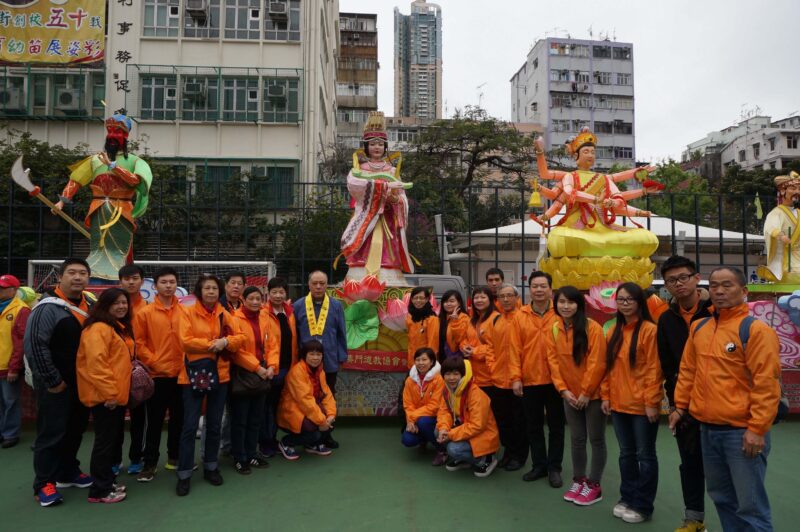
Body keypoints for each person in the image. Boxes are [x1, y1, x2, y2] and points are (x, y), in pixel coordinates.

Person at [672, 267, 781, 531]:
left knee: (751, 506)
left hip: (742, 432)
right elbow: (688, 371)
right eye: (714, 285)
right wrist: (680, 407)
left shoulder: (755, 331)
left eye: (727, 285)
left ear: (744, 291)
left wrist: (757, 429)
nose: (719, 291)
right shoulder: (699, 327)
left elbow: (766, 384)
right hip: (707, 430)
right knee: (722, 497)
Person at [531, 128, 660, 289]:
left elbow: (619, 199)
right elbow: (555, 182)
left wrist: (619, 203)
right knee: (560, 238)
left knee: (646, 238)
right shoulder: (570, 176)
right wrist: (540, 152)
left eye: (593, 152)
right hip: (577, 230)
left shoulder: (603, 179)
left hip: (604, 229)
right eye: (586, 151)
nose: (590, 155)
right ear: (576, 156)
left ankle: (605, 259)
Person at [25, 258, 95, 507]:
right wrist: (53, 380)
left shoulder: (91, 304)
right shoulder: (46, 308)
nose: (77, 277)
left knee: (75, 429)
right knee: (51, 434)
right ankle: (44, 482)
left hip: (82, 382)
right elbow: (35, 346)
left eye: (82, 273)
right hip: (56, 385)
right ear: (60, 277)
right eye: (72, 273)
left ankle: (68, 471)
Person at [175, 274, 250, 497]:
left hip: (220, 375)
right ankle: (184, 474)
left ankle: (211, 466)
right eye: (207, 288)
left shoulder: (223, 314)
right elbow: (185, 341)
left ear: (220, 292)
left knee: (215, 424)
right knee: (189, 426)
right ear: (199, 291)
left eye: (214, 288)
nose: (210, 292)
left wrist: (225, 341)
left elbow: (241, 336)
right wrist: (212, 345)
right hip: (192, 376)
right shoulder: (187, 312)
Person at [52, 113, 152, 281]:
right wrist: (62, 201)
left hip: (121, 210)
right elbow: (75, 180)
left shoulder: (135, 161)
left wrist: (113, 166)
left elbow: (136, 181)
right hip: (98, 209)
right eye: (110, 131)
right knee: (98, 246)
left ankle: (121, 275)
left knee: (120, 247)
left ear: (126, 135)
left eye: (117, 132)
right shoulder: (94, 160)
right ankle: (96, 274)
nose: (112, 135)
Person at [656, 256, 712, 532]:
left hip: (719, 401)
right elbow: (668, 366)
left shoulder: (715, 312)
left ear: (696, 278)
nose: (678, 284)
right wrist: (676, 405)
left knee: (727, 468)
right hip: (685, 404)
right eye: (671, 280)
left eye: (683, 277)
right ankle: (694, 519)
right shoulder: (667, 319)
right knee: (690, 464)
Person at [602, 283, 663, 523]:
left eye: (630, 299)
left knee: (645, 456)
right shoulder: (613, 331)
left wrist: (651, 402)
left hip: (642, 407)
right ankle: (627, 497)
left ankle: (643, 505)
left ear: (640, 302)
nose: (625, 303)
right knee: (626, 455)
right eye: (621, 299)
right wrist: (606, 396)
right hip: (618, 405)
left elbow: (654, 369)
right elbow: (607, 368)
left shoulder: (650, 330)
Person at [545, 285, 607, 507]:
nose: (566, 306)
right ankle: (579, 480)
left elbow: (597, 363)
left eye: (570, 302)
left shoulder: (593, 328)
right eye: (561, 302)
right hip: (569, 396)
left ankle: (594, 485)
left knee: (596, 439)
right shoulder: (554, 329)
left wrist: (586, 392)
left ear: (579, 305)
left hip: (593, 396)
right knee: (577, 439)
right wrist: (563, 391)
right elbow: (553, 363)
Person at [76, 288, 134, 504]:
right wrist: (110, 394)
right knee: (105, 443)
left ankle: (107, 482)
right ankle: (99, 490)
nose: (121, 306)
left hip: (114, 395)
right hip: (105, 397)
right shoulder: (98, 328)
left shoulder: (113, 327)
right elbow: (97, 365)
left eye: (124, 302)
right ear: (105, 305)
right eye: (116, 303)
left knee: (111, 441)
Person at [340, 111, 414, 279]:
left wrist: (395, 199)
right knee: (365, 241)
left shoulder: (392, 170)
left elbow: (401, 196)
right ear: (366, 146)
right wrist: (384, 187)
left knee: (386, 247)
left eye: (380, 144)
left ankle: (387, 273)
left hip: (386, 217)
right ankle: (362, 273)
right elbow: (354, 185)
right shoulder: (359, 169)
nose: (377, 147)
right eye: (373, 144)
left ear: (385, 146)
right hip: (367, 216)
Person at [132, 267, 186, 481]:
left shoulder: (185, 311)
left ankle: (175, 458)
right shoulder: (144, 313)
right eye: (164, 282)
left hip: (181, 375)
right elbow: (138, 343)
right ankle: (149, 463)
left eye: (172, 282)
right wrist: (155, 362)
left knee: (178, 420)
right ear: (155, 286)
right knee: (154, 422)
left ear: (177, 284)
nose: (168, 286)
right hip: (156, 377)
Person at [512, 271, 565, 488]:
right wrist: (516, 378)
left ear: (551, 289)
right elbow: (514, 350)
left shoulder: (560, 313)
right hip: (530, 379)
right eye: (535, 286)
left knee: (556, 426)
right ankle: (539, 465)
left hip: (557, 381)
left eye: (543, 286)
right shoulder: (520, 316)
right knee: (533, 426)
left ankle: (554, 468)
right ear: (529, 289)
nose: (539, 290)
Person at [293, 271, 347, 449]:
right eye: (315, 283)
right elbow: (295, 335)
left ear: (327, 285)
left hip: (329, 361)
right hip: (305, 365)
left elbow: (341, 333)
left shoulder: (336, 305)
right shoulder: (298, 306)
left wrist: (341, 357)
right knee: (306, 398)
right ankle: (309, 435)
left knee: (328, 397)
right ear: (308, 284)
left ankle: (326, 435)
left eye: (322, 283)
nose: (318, 287)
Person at [231, 287, 274, 474]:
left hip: (263, 373)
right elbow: (236, 351)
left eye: (258, 298)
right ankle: (239, 457)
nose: (255, 302)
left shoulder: (264, 317)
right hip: (244, 374)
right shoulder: (234, 318)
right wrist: (257, 368)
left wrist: (272, 365)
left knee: (256, 418)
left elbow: (272, 344)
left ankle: (251, 453)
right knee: (240, 420)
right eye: (251, 298)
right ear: (243, 299)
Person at [436, 357, 500, 478]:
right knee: (437, 431)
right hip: (467, 430)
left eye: (456, 374)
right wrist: (443, 429)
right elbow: (444, 412)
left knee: (453, 449)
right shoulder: (448, 390)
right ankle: (465, 459)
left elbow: (477, 426)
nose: (451, 378)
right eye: (447, 374)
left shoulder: (475, 394)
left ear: (463, 375)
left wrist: (450, 434)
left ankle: (487, 458)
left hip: (483, 435)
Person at [487, 284, 527, 472]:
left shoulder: (524, 318)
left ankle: (520, 456)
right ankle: (509, 452)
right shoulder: (496, 320)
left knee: (519, 421)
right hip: (498, 380)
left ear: (517, 298)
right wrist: (492, 366)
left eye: (509, 295)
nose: (505, 299)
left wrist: (520, 375)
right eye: (502, 296)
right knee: (503, 421)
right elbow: (490, 347)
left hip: (518, 380)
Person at [276, 340, 337, 460]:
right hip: (293, 411)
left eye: (318, 354)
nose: (315, 358)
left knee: (331, 421)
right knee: (314, 432)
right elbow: (305, 400)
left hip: (309, 409)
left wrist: (330, 415)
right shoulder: (297, 372)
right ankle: (286, 442)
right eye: (312, 354)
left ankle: (312, 444)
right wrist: (322, 421)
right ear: (304, 355)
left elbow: (327, 395)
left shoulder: (320, 371)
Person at [260, 277, 298, 458]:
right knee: (267, 407)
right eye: (274, 292)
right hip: (270, 369)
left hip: (287, 367)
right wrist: (269, 365)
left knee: (277, 405)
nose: (277, 295)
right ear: (268, 293)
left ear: (286, 293)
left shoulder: (289, 313)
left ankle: (272, 438)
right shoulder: (263, 313)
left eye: (281, 292)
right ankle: (265, 441)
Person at [117, 263, 146, 475]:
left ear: (142, 281)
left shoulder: (147, 308)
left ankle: (137, 457)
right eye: (127, 279)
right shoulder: (113, 307)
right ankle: (114, 459)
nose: (131, 282)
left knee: (139, 417)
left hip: (140, 371)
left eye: (135, 278)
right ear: (120, 281)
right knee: (115, 419)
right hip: (116, 372)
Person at [401, 347, 445, 465]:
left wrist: (413, 418)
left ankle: (442, 450)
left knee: (423, 422)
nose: (420, 363)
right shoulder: (410, 380)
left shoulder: (439, 380)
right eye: (418, 360)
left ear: (432, 362)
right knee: (407, 440)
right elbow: (407, 404)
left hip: (435, 418)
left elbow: (435, 406)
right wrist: (410, 421)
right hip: (416, 418)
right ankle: (424, 440)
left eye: (424, 360)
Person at [1, 274, 30, 449]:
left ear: (14, 290)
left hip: (8, 366)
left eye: (3, 288)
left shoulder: (21, 310)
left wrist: (14, 367)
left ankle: (10, 434)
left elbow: (21, 342)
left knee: (10, 401)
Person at [760, 171, 800, 282]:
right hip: (787, 258)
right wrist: (781, 235)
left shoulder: (799, 212)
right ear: (782, 191)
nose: (797, 192)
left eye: (799, 189)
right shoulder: (777, 212)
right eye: (793, 188)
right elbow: (770, 227)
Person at [463, 286, 497, 393]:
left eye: (483, 297)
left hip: (490, 376)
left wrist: (474, 351)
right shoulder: (473, 319)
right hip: (474, 375)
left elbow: (497, 347)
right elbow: (465, 338)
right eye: (476, 298)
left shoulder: (496, 318)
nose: (479, 300)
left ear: (490, 299)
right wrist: (465, 347)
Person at [405, 286, 439, 368]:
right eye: (415, 298)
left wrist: (428, 362)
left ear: (427, 299)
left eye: (421, 298)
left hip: (425, 363)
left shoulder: (432, 318)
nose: (418, 300)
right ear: (411, 300)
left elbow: (433, 344)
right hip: (412, 361)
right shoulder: (410, 317)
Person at [438, 290, 469, 361]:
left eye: (452, 301)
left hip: (456, 358)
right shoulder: (440, 318)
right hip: (442, 356)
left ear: (459, 303)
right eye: (445, 302)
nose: (448, 304)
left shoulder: (464, 317)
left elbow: (461, 339)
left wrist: (455, 321)